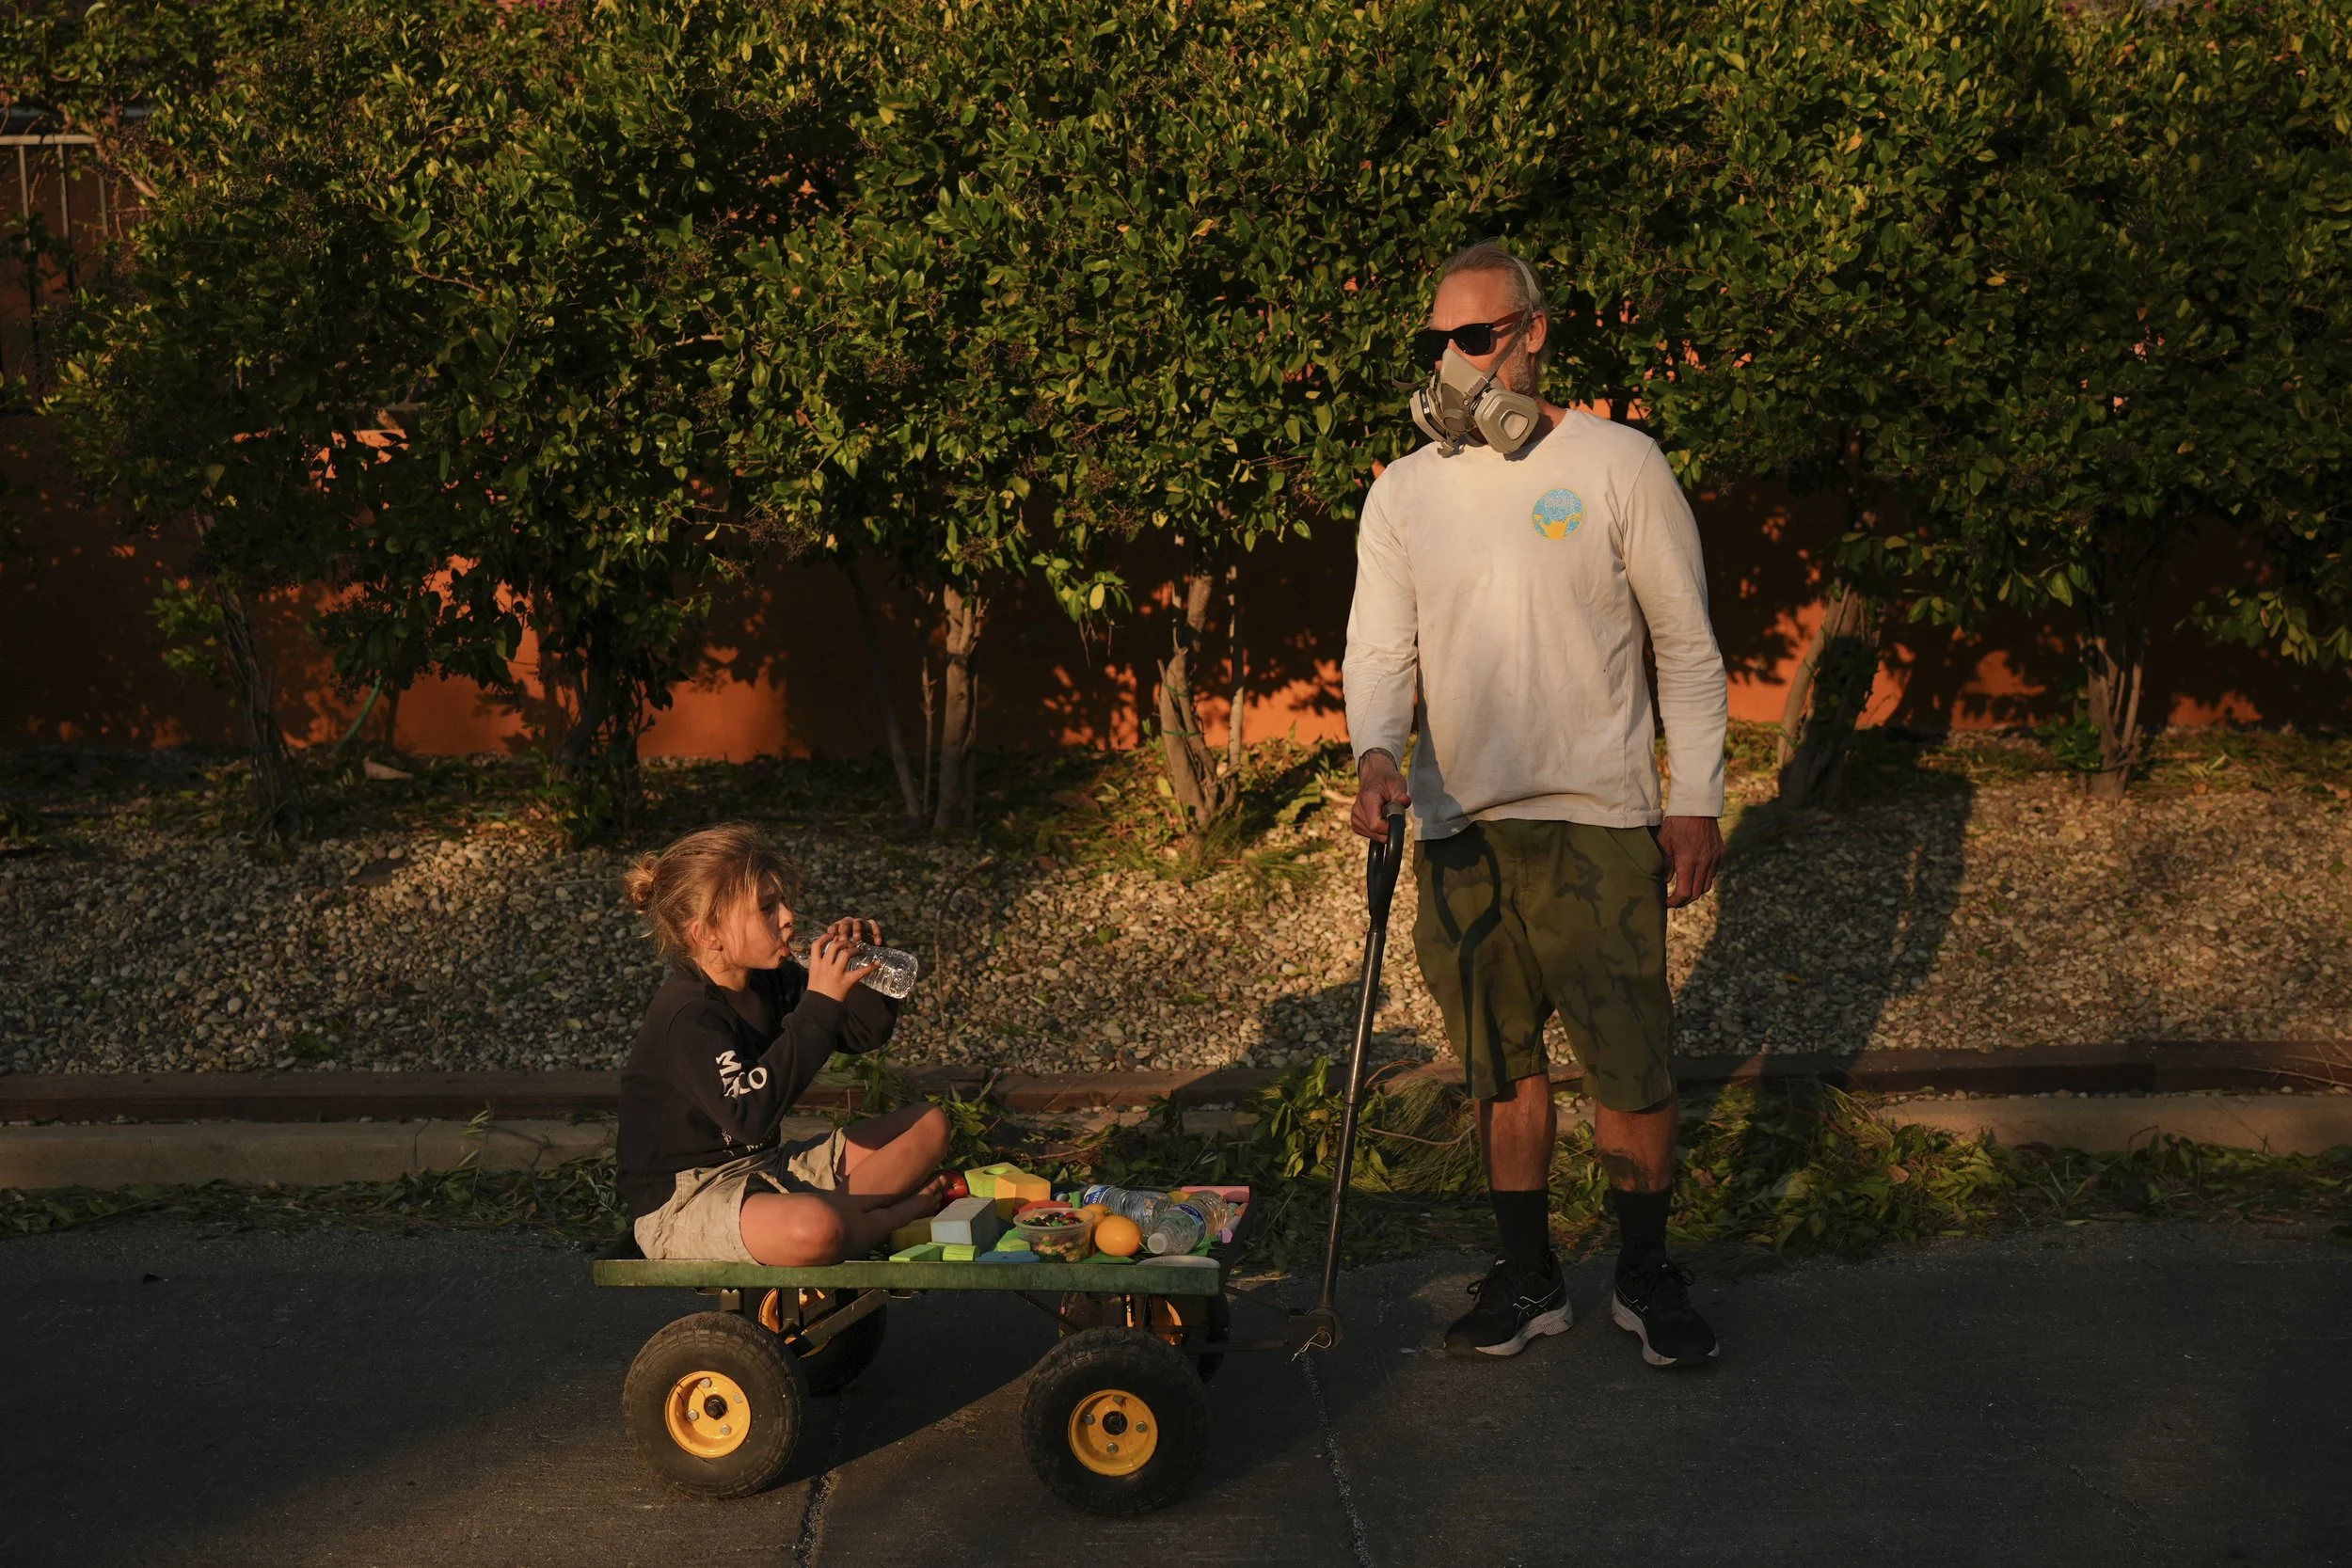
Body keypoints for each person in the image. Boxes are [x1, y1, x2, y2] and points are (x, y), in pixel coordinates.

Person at [1343, 240, 1729, 1367]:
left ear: (1532, 330)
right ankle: (1528, 1277)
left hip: (1600, 819)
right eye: (1436, 344)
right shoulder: (1404, 491)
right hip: (1461, 823)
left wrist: (1693, 798)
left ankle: (1645, 1272)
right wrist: (1376, 755)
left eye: (1472, 339)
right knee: (1498, 1061)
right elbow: (1379, 647)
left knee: (1629, 1059)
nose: (1453, 366)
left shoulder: (1620, 462)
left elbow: (1688, 648)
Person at [616, 822, 950, 1264]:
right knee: (813, 1227)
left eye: (784, 902)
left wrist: (864, 975)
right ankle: (880, 1219)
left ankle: (844, 1219)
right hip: (688, 1199)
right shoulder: (688, 1013)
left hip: (766, 1169)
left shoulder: (769, 982)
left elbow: (860, 1034)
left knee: (929, 1123)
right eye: (767, 908)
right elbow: (748, 1117)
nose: (789, 917)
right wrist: (821, 1003)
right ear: (706, 934)